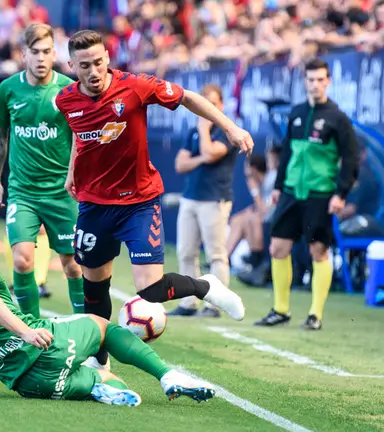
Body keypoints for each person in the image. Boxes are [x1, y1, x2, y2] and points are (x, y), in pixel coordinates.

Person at [54, 30, 252, 369]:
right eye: (85, 65)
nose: (94, 71)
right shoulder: (65, 100)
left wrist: (231, 128)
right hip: (94, 204)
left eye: (99, 62)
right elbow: (82, 136)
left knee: (151, 290)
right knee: (94, 289)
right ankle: (99, 362)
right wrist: (73, 170)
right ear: (72, 66)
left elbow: (189, 97)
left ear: (107, 60)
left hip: (139, 202)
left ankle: (206, 286)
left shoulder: (135, 86)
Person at [0, 206, 215, 406]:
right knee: (102, 325)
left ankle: (100, 389)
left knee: (107, 382)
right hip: (42, 348)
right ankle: (167, 375)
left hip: (26, 383)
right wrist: (27, 331)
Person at [0, 24, 85, 318]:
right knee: (22, 261)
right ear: (23, 55)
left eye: (47, 52)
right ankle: (30, 327)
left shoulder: (68, 89)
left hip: (61, 192)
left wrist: (73, 175)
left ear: (55, 53)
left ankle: (87, 325)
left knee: (73, 263)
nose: (42, 58)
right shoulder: (8, 89)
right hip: (23, 191)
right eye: (35, 52)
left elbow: (79, 138)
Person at [255, 58, 359, 330]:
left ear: (328, 82)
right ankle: (280, 310)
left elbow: (350, 160)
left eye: (319, 79)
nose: (314, 84)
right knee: (278, 247)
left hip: (320, 194)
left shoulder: (338, 118)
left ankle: (315, 315)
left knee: (318, 251)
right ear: (305, 82)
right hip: (291, 192)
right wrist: (278, 186)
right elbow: (287, 151)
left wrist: (341, 193)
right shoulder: (297, 112)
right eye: (310, 79)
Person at [170, 83, 239, 318]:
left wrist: (203, 131)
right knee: (186, 252)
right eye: (204, 102)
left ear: (221, 105)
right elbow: (180, 165)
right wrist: (201, 158)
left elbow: (210, 153)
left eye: (213, 102)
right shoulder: (193, 132)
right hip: (191, 197)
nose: (208, 107)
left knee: (216, 254)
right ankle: (188, 303)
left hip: (214, 198)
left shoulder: (227, 131)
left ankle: (214, 305)